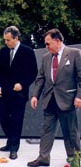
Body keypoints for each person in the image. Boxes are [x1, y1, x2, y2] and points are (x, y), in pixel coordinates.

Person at [27, 29, 81, 167]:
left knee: (70, 132)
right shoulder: (46, 57)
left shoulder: (75, 54)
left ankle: (74, 158)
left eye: (48, 43)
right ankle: (43, 158)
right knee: (46, 131)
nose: (46, 47)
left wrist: (79, 97)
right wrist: (35, 95)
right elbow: (40, 79)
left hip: (67, 100)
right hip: (49, 99)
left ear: (57, 40)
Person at [0, 26, 38, 160]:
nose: (6, 43)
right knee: (2, 117)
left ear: (16, 38)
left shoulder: (28, 52)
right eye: (5, 40)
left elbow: (33, 72)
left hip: (19, 94)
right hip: (5, 92)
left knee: (16, 120)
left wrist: (23, 84)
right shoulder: (3, 51)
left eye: (8, 40)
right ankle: (10, 140)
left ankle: (14, 147)